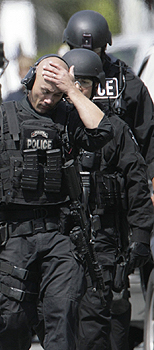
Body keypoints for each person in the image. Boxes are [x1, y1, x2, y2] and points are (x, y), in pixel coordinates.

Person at [0, 54, 113, 349]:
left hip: (60, 237)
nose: (49, 99)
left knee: (62, 318)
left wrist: (72, 91)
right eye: (43, 91)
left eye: (56, 93)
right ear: (28, 82)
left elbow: (103, 132)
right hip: (14, 237)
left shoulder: (69, 116)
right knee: (13, 324)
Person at [61, 48, 154, 350]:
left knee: (110, 321)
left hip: (106, 240)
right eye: (71, 83)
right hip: (60, 242)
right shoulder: (55, 126)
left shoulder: (114, 129)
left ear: (96, 87)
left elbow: (137, 185)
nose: (77, 90)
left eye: (84, 84)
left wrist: (140, 235)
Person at [63, 10, 154, 181]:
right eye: (79, 51)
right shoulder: (57, 78)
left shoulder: (125, 82)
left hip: (116, 174)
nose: (86, 59)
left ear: (104, 47)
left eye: (93, 52)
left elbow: (148, 135)